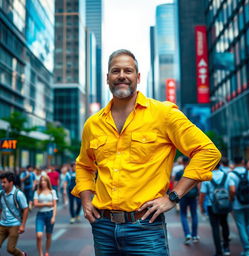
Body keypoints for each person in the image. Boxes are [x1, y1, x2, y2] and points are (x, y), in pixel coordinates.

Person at [71, 49, 221, 255]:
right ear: (107, 78)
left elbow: (208, 151)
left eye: (128, 70)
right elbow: (83, 165)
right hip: (103, 228)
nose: (121, 75)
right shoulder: (93, 123)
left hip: (146, 227)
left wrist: (174, 196)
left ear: (138, 77)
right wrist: (86, 200)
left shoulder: (164, 114)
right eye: (115, 71)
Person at [199, 162, 232, 256]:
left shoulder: (207, 177)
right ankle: (226, 247)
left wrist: (201, 206)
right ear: (220, 164)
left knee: (215, 228)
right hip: (224, 204)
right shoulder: (226, 176)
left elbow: (202, 194)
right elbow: (232, 189)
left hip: (211, 205)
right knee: (225, 224)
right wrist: (230, 199)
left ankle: (219, 251)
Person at [229, 157, 249, 256]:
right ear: (243, 162)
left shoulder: (231, 175)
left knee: (241, 226)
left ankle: (247, 250)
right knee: (248, 223)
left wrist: (232, 199)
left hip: (237, 204)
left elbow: (232, 190)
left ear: (234, 163)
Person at [0, 171, 29, 256]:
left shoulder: (18, 194)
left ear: (11, 183)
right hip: (2, 224)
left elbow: (26, 209)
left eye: (4, 182)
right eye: (1, 182)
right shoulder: (1, 194)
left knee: (10, 249)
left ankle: (22, 255)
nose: (2, 184)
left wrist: (23, 225)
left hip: (14, 225)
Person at [174, 156, 199, 245]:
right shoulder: (194, 172)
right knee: (194, 214)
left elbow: (176, 185)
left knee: (183, 215)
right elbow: (198, 185)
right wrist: (198, 195)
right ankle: (195, 235)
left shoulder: (179, 173)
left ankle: (187, 234)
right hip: (193, 196)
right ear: (189, 162)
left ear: (183, 163)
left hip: (183, 196)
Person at [33, 175, 57, 256]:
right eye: (41, 181)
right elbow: (35, 204)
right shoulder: (37, 192)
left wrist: (53, 217)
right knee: (39, 235)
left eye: (44, 180)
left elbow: (54, 205)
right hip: (40, 215)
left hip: (50, 214)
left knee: (48, 235)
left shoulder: (52, 191)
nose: (43, 182)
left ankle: (47, 252)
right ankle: (40, 253)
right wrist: (47, 203)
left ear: (47, 182)